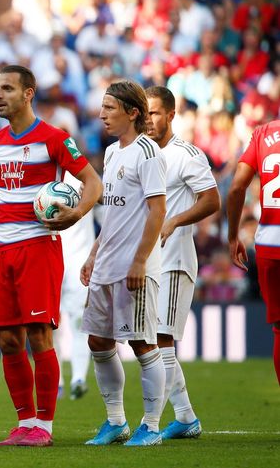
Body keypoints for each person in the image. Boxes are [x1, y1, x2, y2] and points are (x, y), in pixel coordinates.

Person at [0, 64, 103, 447]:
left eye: (6, 88)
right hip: (4, 250)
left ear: (28, 93)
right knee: (8, 340)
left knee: (40, 335)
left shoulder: (54, 138)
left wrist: (76, 213)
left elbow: (93, 182)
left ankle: (45, 425)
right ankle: (24, 422)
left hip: (39, 248)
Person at [81, 80, 167, 447]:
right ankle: (116, 422)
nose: (102, 115)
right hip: (106, 264)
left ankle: (150, 425)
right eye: (102, 108)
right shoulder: (114, 152)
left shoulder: (148, 153)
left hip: (135, 267)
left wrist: (140, 262)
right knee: (98, 342)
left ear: (132, 112)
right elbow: (114, 214)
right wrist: (93, 252)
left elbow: (157, 211)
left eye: (109, 108)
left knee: (143, 344)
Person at [145, 86, 220, 438]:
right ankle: (186, 417)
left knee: (161, 340)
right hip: (146, 261)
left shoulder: (187, 155)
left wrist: (175, 220)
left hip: (174, 260)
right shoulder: (140, 155)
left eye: (155, 113)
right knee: (154, 342)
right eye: (143, 113)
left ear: (171, 115)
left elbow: (211, 200)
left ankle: (151, 424)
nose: (148, 120)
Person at [227, 119, 280, 385]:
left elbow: (237, 188)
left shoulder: (263, 134)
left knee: (279, 329)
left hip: (270, 244)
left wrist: (233, 235)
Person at [55, 172, 95, 401]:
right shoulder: (40, 173)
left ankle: (78, 378)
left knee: (79, 320)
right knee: (50, 323)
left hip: (79, 260)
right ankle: (58, 381)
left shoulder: (86, 178)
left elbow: (106, 209)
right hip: (50, 257)